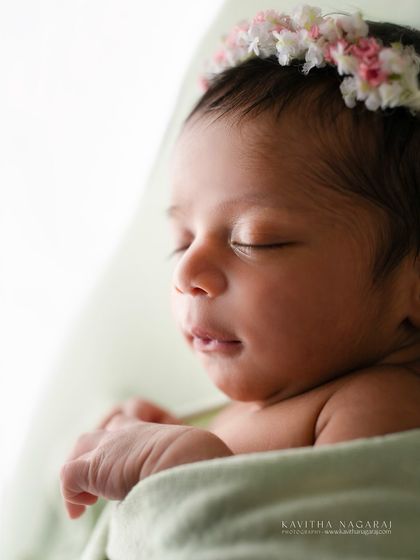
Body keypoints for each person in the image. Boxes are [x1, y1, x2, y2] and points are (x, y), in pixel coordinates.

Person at [60, 4, 420, 520]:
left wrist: (189, 473)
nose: (187, 274)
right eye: (181, 241)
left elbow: (344, 540)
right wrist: (162, 440)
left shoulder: (378, 407)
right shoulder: (243, 411)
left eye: (255, 240)